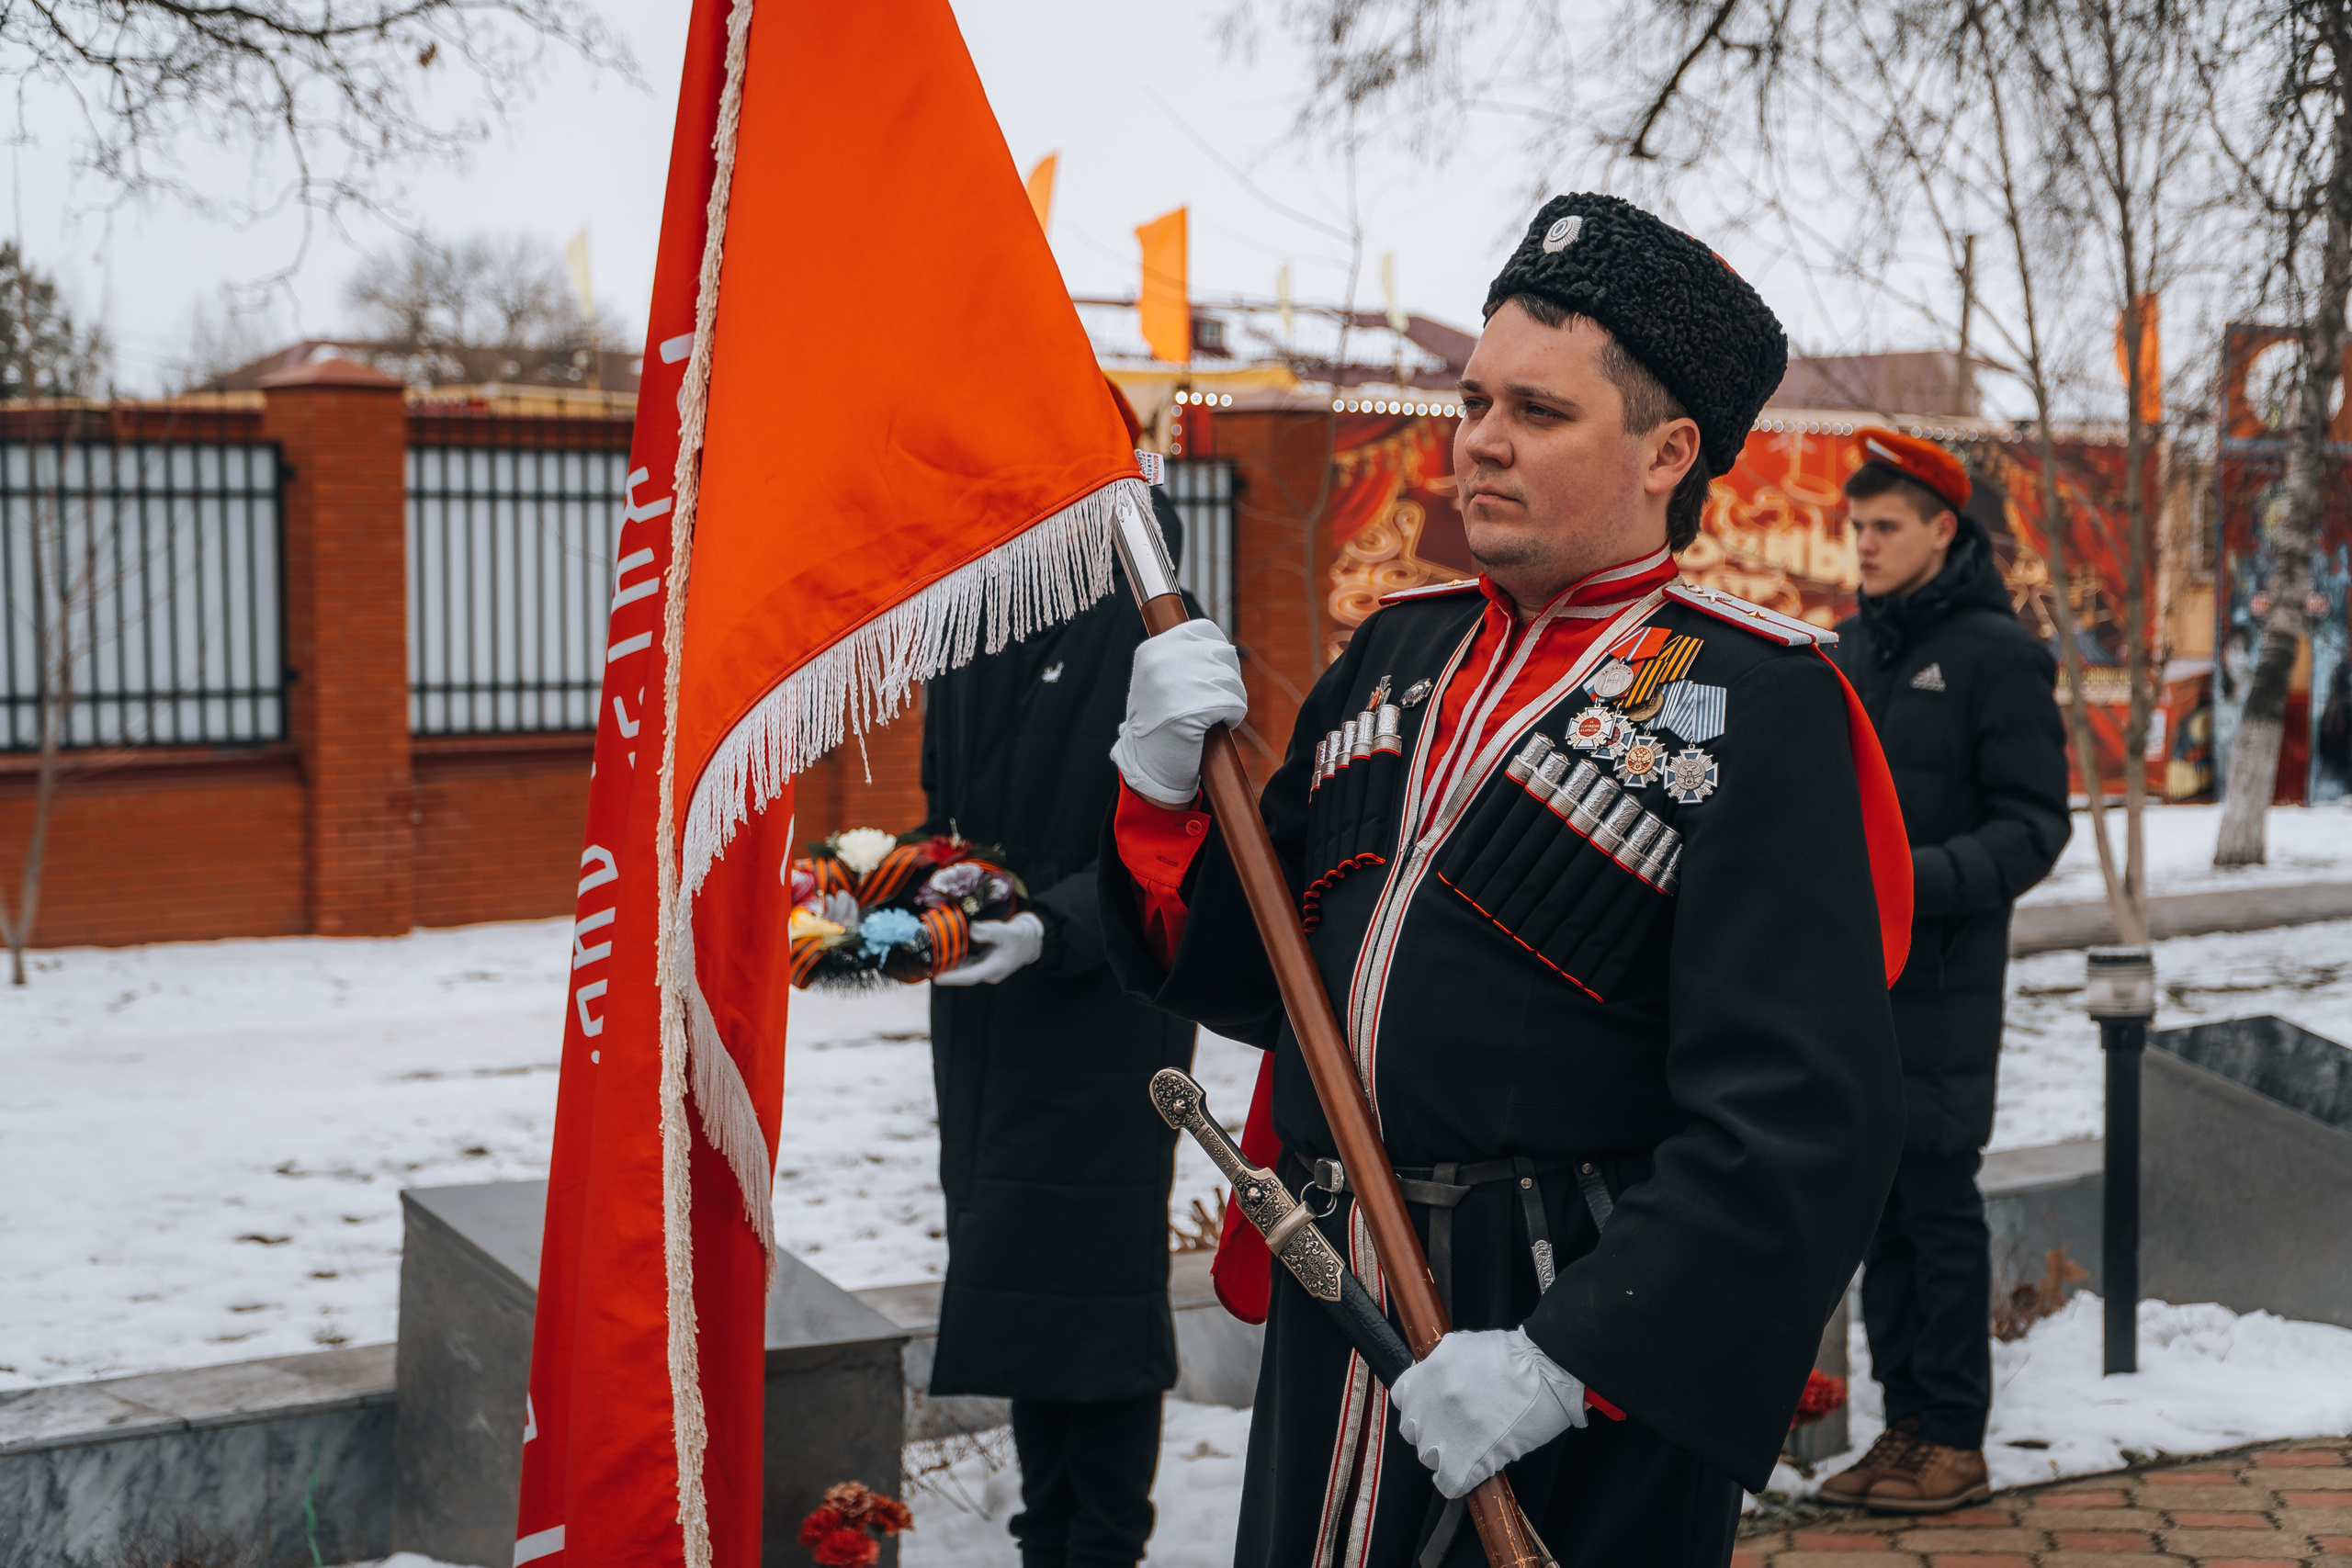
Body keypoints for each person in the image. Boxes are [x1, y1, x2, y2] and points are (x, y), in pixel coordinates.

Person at [1094, 193, 1911, 1568]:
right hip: (1343, 1288)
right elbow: (1253, 969)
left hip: (1560, 1320)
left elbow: (1801, 1121)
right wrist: (1162, 784)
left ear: (1667, 451)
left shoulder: (1758, 703)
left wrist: (1568, 1357)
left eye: (1537, 411)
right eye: (1474, 400)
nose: (1478, 438)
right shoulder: (1394, 656)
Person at [918, 475, 1200, 1568]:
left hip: (1103, 1010)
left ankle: (1103, 1543)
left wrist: (1050, 926)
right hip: (987, 1016)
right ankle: (1048, 1537)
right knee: (1018, 1292)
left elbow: (1181, 844)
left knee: (1099, 1300)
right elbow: (955, 822)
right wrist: (897, 894)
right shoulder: (976, 624)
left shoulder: (1154, 621)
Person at [1818, 430, 2070, 1513]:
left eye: (1884, 527)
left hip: (1942, 983)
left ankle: (1953, 1438)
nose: (1865, 545)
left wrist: (1906, 881)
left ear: (1940, 530)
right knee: (1877, 1211)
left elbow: (2034, 828)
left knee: (1935, 1206)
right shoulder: (1844, 650)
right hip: (1849, 984)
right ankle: (1902, 1431)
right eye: (1856, 527)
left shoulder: (1996, 655)